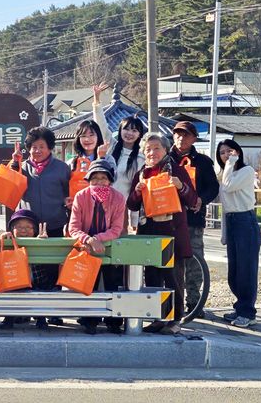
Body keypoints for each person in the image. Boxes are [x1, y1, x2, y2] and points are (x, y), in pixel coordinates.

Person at [127, 132, 197, 335]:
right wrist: (137, 192)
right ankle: (157, 318)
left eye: (156, 148)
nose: (152, 152)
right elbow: (131, 204)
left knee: (173, 278)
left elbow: (193, 200)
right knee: (153, 277)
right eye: (147, 149)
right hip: (149, 232)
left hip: (172, 232)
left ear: (166, 150)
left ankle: (175, 320)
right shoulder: (142, 173)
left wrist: (180, 186)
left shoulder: (176, 170)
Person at [67, 159, 126, 334]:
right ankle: (89, 320)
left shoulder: (118, 198)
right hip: (86, 248)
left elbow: (117, 228)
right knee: (88, 285)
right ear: (88, 179)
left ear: (110, 180)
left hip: (110, 247)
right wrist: (89, 240)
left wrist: (99, 238)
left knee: (113, 283)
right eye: (95, 178)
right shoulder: (81, 196)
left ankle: (114, 321)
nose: (99, 182)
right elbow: (73, 227)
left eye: (103, 178)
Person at [169, 121, 219, 317]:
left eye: (186, 135)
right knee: (170, 263)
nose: (181, 138)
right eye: (178, 134)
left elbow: (213, 188)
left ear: (194, 138)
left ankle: (194, 303)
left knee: (194, 261)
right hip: (168, 220)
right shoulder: (164, 158)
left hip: (193, 220)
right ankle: (171, 303)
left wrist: (201, 199)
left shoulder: (204, 161)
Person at [216, 139, 261, 328]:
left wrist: (231, 163)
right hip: (233, 222)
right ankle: (240, 306)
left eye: (229, 151)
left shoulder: (246, 171)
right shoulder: (225, 173)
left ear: (238, 152)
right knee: (234, 272)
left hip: (246, 221)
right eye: (222, 152)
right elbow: (223, 202)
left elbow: (227, 186)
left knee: (246, 271)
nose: (226, 155)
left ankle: (248, 312)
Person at [92, 83, 146, 231]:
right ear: (120, 131)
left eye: (134, 130)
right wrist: (97, 99)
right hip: (99, 204)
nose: (129, 133)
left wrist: (134, 220)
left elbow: (136, 192)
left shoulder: (141, 159)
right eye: (126, 129)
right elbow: (101, 125)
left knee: (118, 246)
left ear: (139, 135)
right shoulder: (111, 146)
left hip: (120, 209)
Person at [0, 209, 57, 330]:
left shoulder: (39, 242)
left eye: (28, 227)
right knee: (12, 287)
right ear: (12, 229)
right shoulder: (9, 242)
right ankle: (9, 317)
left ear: (35, 230)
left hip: (37, 282)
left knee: (41, 287)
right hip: (15, 282)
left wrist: (43, 244)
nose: (24, 230)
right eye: (19, 227)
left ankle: (41, 318)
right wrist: (3, 239)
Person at [11, 127, 70, 238]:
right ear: (29, 149)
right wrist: (15, 163)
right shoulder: (21, 167)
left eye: (42, 147)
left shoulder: (62, 168)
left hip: (56, 225)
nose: (38, 151)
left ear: (50, 147)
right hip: (28, 227)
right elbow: (10, 189)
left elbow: (69, 194)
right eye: (34, 147)